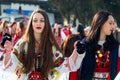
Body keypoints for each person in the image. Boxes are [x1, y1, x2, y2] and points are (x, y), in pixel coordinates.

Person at [4, 9, 84, 80]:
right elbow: (10, 65)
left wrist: (77, 51)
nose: (38, 23)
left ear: (46, 23)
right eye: (35, 20)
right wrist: (7, 51)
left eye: (42, 20)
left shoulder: (51, 46)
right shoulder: (22, 44)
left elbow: (64, 65)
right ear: (31, 23)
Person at [77, 10, 120, 80]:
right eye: (110, 23)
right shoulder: (85, 44)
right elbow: (75, 66)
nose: (113, 26)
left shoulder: (115, 45)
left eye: (113, 23)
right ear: (101, 23)